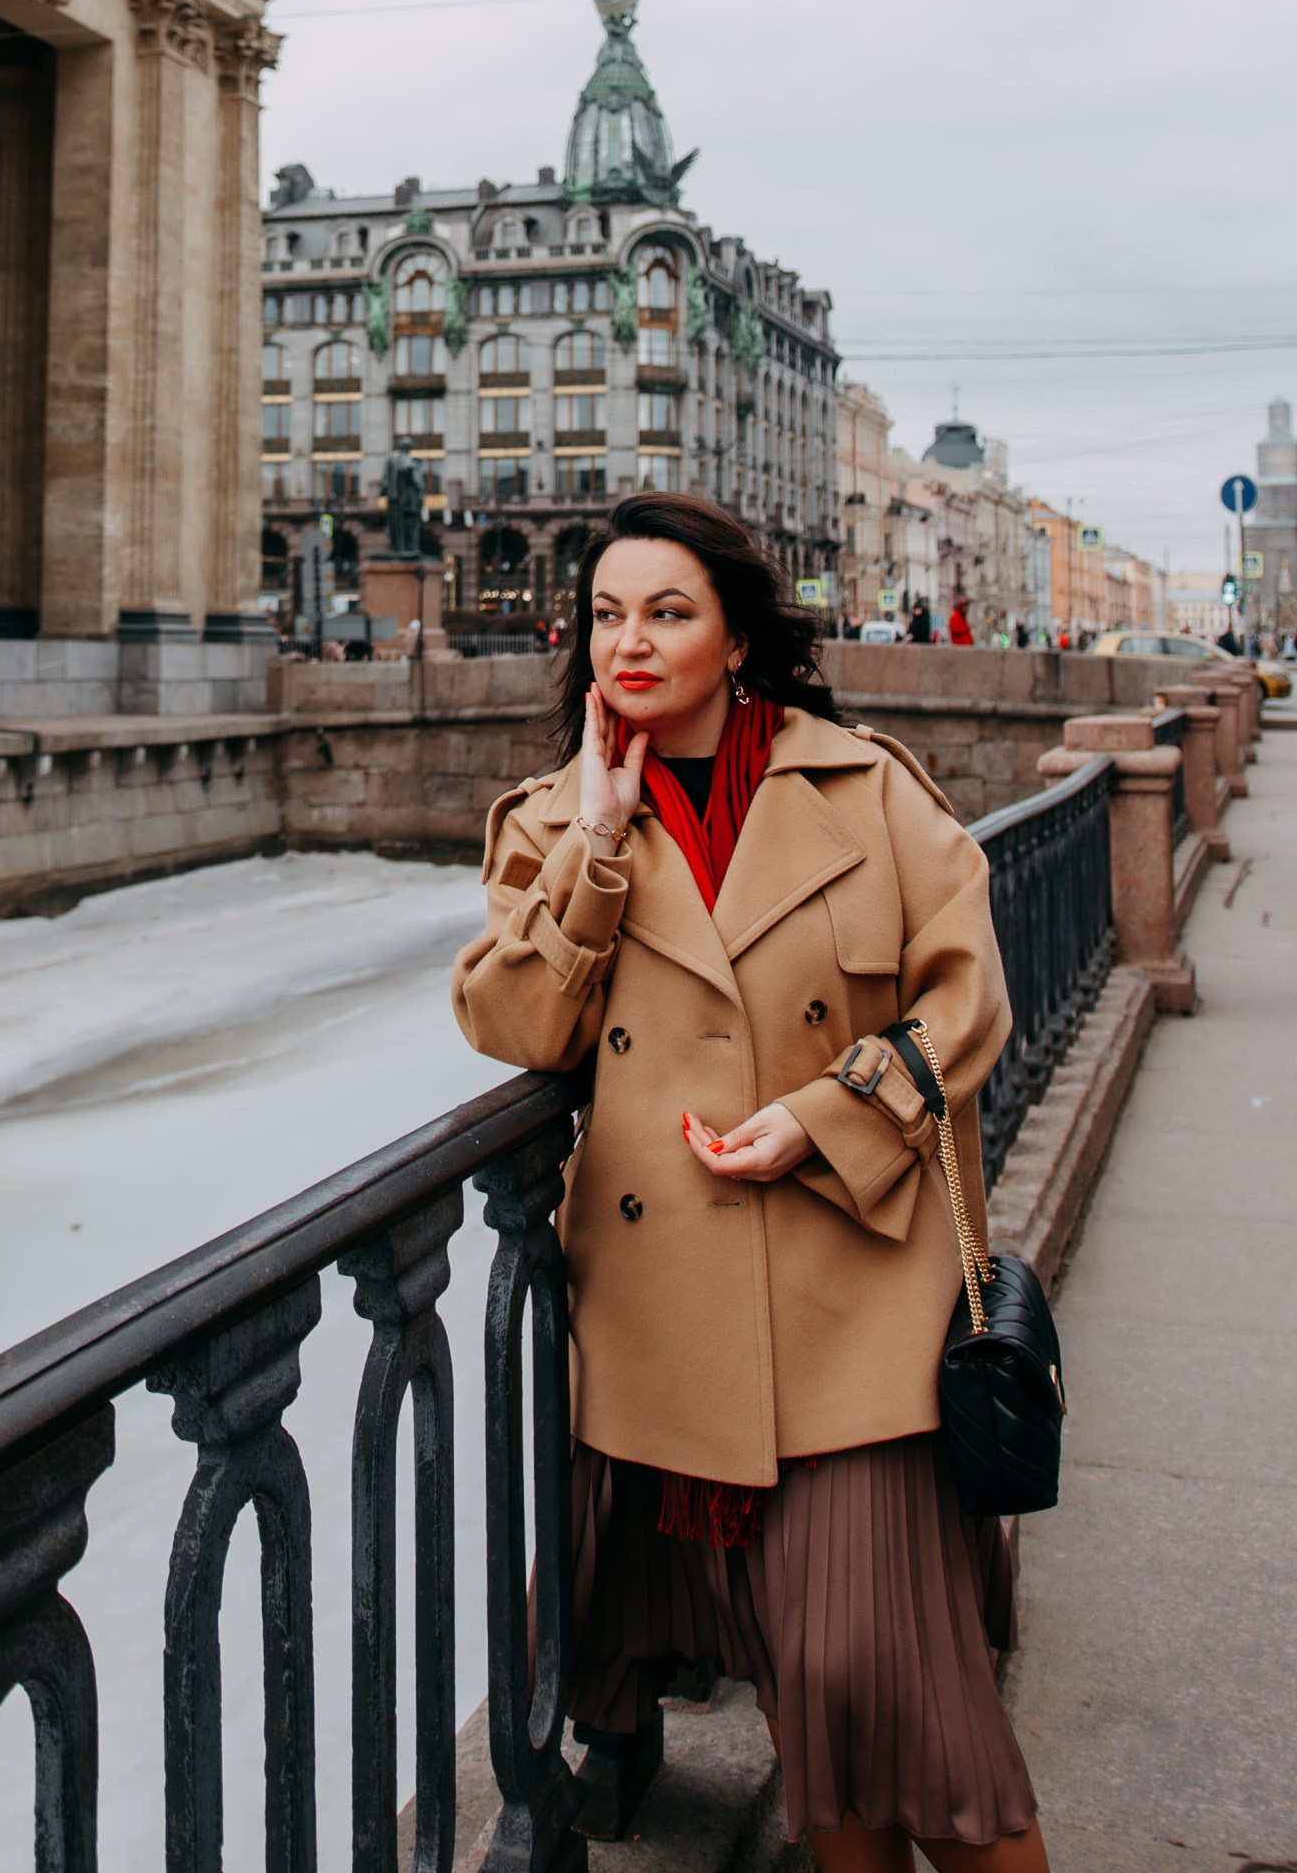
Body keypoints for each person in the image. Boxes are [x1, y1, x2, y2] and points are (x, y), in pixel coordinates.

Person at [453, 493, 1045, 1872]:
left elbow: (969, 1003)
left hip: (860, 1304)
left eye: (667, 613)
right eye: (605, 616)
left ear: (736, 635)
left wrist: (830, 1116)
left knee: (900, 1700)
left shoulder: (868, 787)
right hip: (673, 1335)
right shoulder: (553, 821)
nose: (629, 645)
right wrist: (600, 844)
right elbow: (518, 1024)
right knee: (812, 1714)